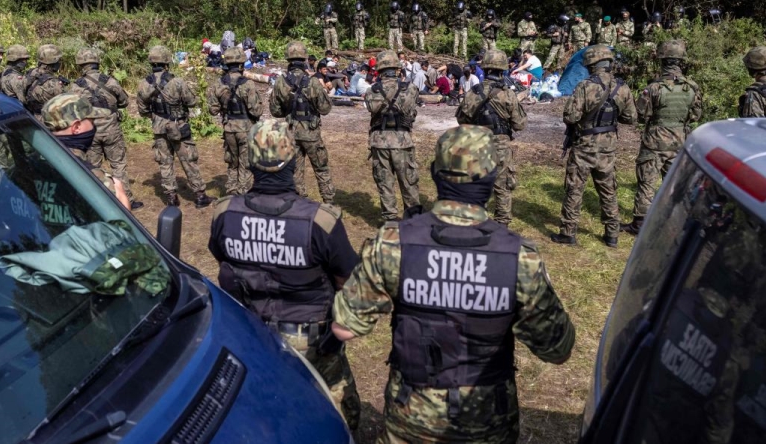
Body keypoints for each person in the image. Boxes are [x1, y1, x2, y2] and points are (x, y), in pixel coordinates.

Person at [331, 125, 575, 444]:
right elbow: (558, 349)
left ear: (435, 173)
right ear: (492, 178)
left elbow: (345, 328)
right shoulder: (520, 258)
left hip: (411, 416)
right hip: (487, 421)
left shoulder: (393, 243)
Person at [208, 119, 362, 428]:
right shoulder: (321, 221)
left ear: (251, 162)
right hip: (314, 339)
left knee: (272, 410)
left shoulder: (224, 214)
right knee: (340, 416)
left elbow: (223, 261)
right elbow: (351, 282)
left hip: (254, 333)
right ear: (292, 159)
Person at [552, 45, 637, 247]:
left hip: (584, 146)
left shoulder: (585, 86)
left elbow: (570, 116)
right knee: (608, 190)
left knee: (574, 189)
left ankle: (568, 232)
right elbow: (631, 118)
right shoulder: (622, 87)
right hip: (608, 147)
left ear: (591, 64)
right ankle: (612, 235)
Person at [621, 40, 701, 235]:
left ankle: (640, 223)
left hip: (655, 141)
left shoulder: (654, 88)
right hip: (680, 140)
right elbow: (696, 115)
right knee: (675, 182)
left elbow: (641, 114)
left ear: (662, 60)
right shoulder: (692, 87)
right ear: (681, 61)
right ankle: (675, 222)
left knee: (647, 181)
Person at [456, 49, 527, 225]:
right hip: (501, 143)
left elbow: (461, 119)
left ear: (485, 68)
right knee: (502, 184)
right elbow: (520, 124)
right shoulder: (508, 93)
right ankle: (502, 223)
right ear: (502, 70)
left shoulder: (473, 92)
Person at [136, 45, 212, 208]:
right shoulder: (176, 82)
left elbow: (142, 110)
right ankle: (200, 196)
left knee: (165, 163)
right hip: (179, 126)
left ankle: (171, 198)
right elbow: (192, 101)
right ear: (166, 63)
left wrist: (156, 117)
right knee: (189, 160)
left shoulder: (143, 84)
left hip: (158, 128)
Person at [70, 47, 142, 210]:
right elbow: (123, 101)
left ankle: (95, 201)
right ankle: (127, 200)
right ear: (96, 63)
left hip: (90, 131)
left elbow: (72, 108)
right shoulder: (109, 81)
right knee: (118, 165)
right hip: (111, 129)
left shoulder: (76, 86)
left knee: (93, 166)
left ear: (81, 65)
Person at [270, 41, 337, 204]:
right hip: (311, 133)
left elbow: (275, 111)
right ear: (304, 59)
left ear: (288, 60)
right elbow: (325, 109)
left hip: (292, 132)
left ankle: (298, 202)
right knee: (321, 168)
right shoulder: (313, 81)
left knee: (294, 170)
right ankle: (329, 203)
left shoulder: (281, 82)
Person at [41, 93, 130, 209]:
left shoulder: (26, 164)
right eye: (92, 122)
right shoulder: (95, 180)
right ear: (76, 127)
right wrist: (119, 193)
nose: (94, 127)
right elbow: (122, 225)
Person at [364, 50, 420, 221]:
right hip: (402, 141)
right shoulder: (410, 89)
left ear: (379, 70)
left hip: (379, 141)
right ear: (397, 68)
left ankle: (390, 220)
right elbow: (411, 112)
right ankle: (413, 221)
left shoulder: (372, 91)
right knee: (408, 182)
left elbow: (371, 109)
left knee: (385, 182)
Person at [25, 44, 69, 121]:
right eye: (59, 60)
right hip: (46, 121)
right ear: (54, 61)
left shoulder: (31, 72)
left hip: (31, 117)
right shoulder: (54, 84)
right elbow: (66, 106)